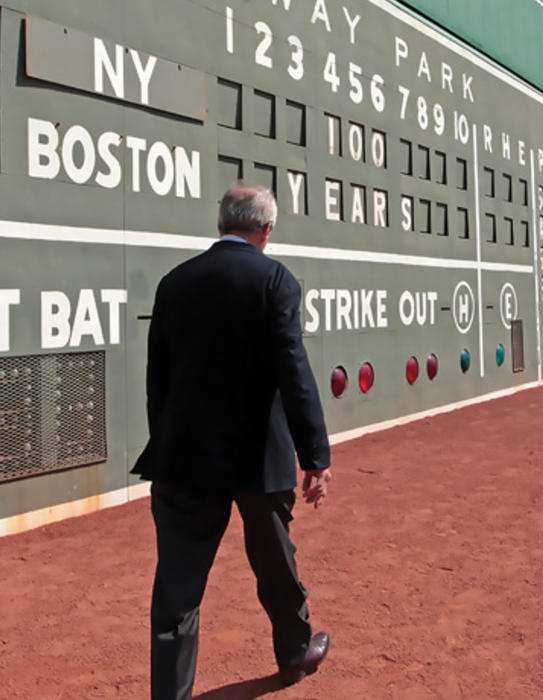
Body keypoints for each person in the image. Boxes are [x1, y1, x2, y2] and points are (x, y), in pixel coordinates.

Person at [132, 183, 333, 699]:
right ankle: (294, 652)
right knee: (275, 564)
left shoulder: (175, 283)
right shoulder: (275, 281)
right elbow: (295, 373)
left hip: (184, 460)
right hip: (256, 460)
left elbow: (158, 379)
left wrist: (169, 441)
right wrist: (315, 456)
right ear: (266, 229)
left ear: (221, 224)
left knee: (176, 595)